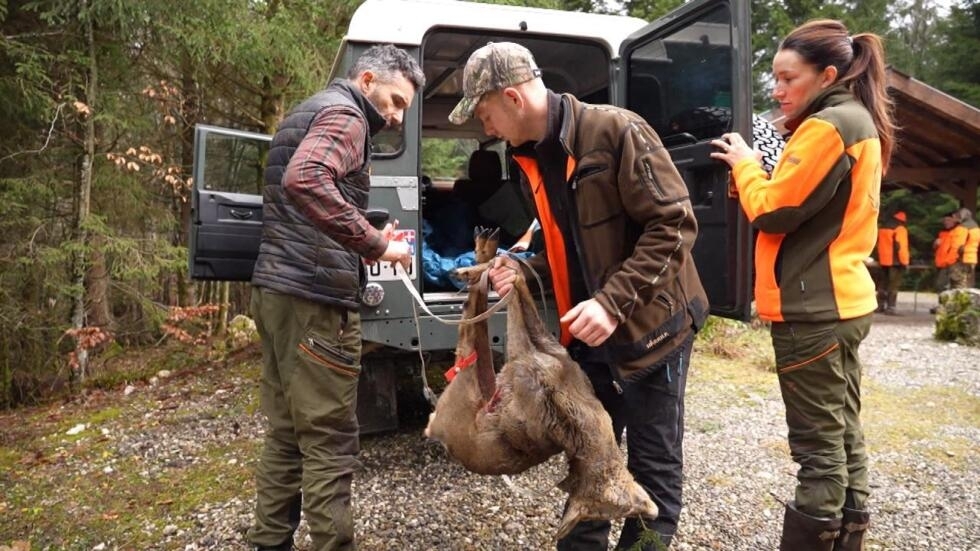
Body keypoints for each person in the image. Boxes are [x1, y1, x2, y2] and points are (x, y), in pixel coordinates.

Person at [449, 41, 708, 550]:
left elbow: (674, 225)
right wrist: (521, 268)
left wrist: (612, 302)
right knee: (591, 455)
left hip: (655, 331)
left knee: (653, 466)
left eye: (484, 113)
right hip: (589, 337)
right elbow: (565, 245)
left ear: (512, 97)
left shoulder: (615, 131)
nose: (486, 128)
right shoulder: (528, 161)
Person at [710, 19, 895, 551]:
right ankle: (848, 539)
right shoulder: (858, 120)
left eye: (788, 78)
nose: (777, 89)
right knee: (843, 432)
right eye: (775, 78)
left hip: (813, 310)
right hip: (845, 300)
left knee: (818, 451)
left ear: (827, 75)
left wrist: (746, 165)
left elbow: (775, 208)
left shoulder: (828, 126)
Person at [247, 44, 424, 551]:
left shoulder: (310, 109)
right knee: (328, 440)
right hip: (315, 301)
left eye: (403, 109)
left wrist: (360, 222)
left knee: (286, 432)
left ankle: (269, 541)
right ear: (366, 80)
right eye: (394, 101)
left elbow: (300, 195)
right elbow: (305, 179)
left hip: (276, 291)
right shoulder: (348, 116)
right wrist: (376, 244)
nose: (394, 116)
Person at [875, 210, 910, 314]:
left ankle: (880, 306)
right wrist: (905, 262)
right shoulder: (900, 229)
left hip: (883, 261)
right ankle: (891, 307)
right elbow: (900, 247)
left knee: (883, 284)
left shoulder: (883, 228)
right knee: (893, 285)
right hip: (896, 262)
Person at [959, 207, 979, 287]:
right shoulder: (976, 227)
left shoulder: (963, 227)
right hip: (973, 257)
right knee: (968, 280)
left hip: (963, 257)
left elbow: (959, 243)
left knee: (961, 281)